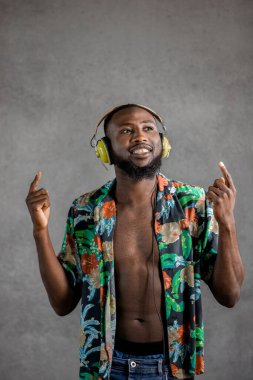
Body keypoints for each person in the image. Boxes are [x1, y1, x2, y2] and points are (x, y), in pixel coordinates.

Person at [26, 104, 244, 380]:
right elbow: (62, 303)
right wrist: (39, 231)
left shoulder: (193, 204)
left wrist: (227, 223)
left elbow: (230, 295)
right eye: (127, 131)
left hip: (172, 367)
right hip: (107, 368)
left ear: (162, 143)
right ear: (105, 149)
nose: (140, 136)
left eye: (148, 128)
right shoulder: (85, 210)